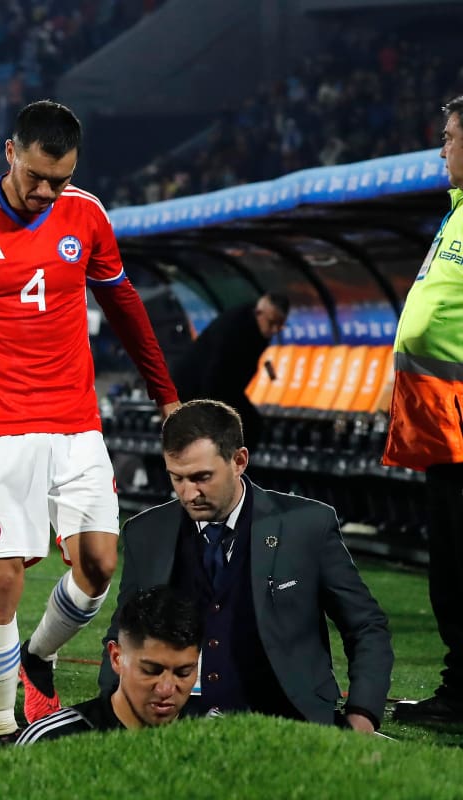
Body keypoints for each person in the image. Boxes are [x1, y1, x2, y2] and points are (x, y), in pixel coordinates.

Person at [0, 100, 180, 738]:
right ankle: (4, 728)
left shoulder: (84, 214)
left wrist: (166, 393)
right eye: (35, 176)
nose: (45, 191)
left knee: (100, 565)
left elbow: (124, 305)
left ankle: (39, 654)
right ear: (10, 153)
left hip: (74, 423)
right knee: (0, 577)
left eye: (59, 178)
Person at [101, 400, 392, 731]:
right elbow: (122, 635)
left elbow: (366, 626)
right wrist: (113, 716)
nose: (188, 493)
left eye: (201, 477)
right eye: (176, 478)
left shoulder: (307, 525)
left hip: (290, 722)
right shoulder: (146, 532)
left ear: (239, 461)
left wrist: (362, 716)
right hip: (176, 724)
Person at [386, 94, 463, 725]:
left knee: (460, 567)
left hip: (460, 422)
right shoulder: (456, 215)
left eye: (448, 137)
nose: (441, 149)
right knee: (451, 564)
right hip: (441, 422)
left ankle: (462, 695)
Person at [17, 585, 201, 743]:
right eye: (150, 671)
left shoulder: (215, 733)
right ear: (116, 658)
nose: (166, 689)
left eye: (183, 673)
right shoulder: (51, 739)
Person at [170, 292, 289, 451]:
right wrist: (208, 411)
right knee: (243, 424)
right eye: (272, 322)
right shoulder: (234, 327)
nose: (275, 330)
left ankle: (233, 466)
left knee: (251, 424)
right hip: (193, 386)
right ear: (259, 312)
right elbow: (214, 371)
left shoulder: (258, 330)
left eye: (280, 325)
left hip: (223, 387)